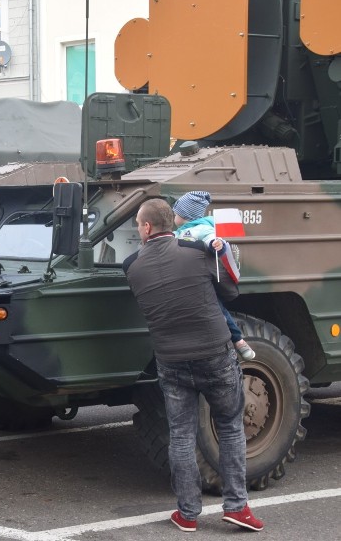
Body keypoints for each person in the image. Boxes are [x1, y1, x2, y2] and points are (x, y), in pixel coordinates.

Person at [123, 199, 264, 533]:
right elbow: (230, 292)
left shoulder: (131, 265)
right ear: (170, 222)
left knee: (181, 435)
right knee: (230, 427)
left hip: (171, 361)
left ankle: (187, 514)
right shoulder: (196, 251)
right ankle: (237, 508)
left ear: (145, 228)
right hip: (215, 354)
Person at [172, 191, 255, 360]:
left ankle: (238, 340)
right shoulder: (180, 232)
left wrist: (216, 244)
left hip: (201, 281)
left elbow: (213, 240)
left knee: (218, 310)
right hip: (187, 281)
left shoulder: (201, 229)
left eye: (176, 213)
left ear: (185, 215)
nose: (174, 216)